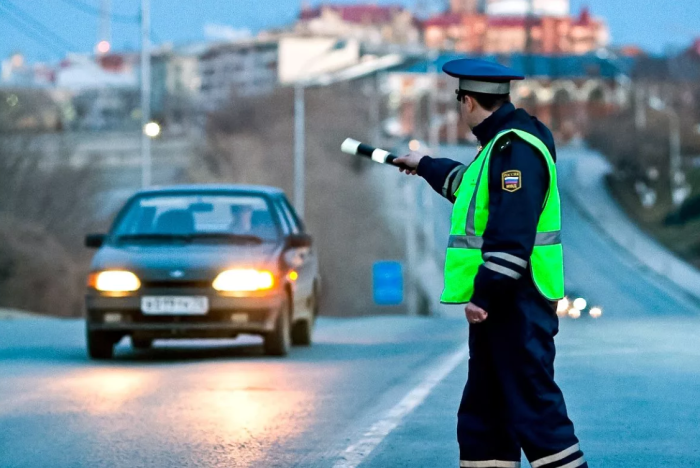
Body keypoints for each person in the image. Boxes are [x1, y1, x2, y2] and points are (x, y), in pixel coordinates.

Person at [394, 59, 587, 468]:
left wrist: (483, 296)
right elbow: (472, 189)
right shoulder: (502, 145)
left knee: (537, 415)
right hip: (506, 307)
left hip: (515, 304)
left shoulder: (514, 148)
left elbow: (511, 232)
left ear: (466, 101)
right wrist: (425, 165)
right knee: (485, 419)